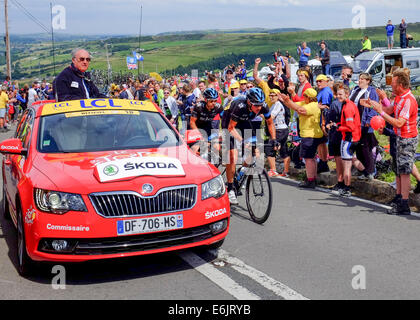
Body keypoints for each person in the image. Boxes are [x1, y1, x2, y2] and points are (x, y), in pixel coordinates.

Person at [371, 70, 418, 215]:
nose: (391, 86)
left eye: (393, 84)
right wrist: (373, 106)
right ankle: (399, 198)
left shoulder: (408, 100)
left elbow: (398, 123)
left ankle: (404, 204)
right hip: (399, 138)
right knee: (398, 171)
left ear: (401, 85)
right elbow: (390, 110)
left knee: (404, 172)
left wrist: (381, 112)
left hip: (407, 139)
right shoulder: (398, 97)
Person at [221, 88, 277, 204]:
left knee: (254, 152)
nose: (259, 108)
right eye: (256, 105)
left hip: (244, 121)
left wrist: (274, 139)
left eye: (261, 105)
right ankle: (230, 189)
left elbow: (270, 122)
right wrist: (242, 141)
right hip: (229, 122)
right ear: (249, 102)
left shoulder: (263, 106)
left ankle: (241, 172)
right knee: (232, 155)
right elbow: (231, 128)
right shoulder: (239, 106)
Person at [280, 88, 324, 189]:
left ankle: (310, 180)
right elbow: (295, 106)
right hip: (312, 134)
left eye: (305, 96)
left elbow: (299, 109)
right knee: (311, 158)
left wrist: (287, 100)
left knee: (308, 159)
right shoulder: (307, 102)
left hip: (310, 135)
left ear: (308, 97)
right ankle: (312, 178)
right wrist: (286, 100)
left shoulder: (312, 106)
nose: (303, 98)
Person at [349, 73, 380, 180]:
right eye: (359, 78)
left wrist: (369, 121)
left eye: (363, 79)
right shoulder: (355, 89)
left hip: (365, 124)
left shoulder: (371, 91)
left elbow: (373, 107)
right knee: (358, 147)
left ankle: (371, 171)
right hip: (354, 124)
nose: (360, 80)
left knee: (365, 148)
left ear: (368, 81)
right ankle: (362, 171)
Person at [336, 84, 361, 197]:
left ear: (347, 94)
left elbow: (350, 127)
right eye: (337, 94)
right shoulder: (348, 104)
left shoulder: (347, 108)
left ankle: (346, 188)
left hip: (348, 139)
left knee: (346, 165)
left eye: (340, 94)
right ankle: (368, 172)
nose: (338, 96)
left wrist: (338, 128)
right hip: (354, 138)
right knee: (352, 160)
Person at [190, 88, 224, 155]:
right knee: (195, 149)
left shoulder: (218, 107)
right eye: (211, 101)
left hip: (209, 128)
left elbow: (225, 120)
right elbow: (192, 122)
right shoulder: (199, 107)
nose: (214, 103)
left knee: (217, 148)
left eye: (215, 101)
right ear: (206, 100)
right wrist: (199, 135)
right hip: (197, 128)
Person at [265, 89, 291, 177]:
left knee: (269, 149)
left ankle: (273, 170)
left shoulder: (277, 104)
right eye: (270, 95)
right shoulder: (274, 105)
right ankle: (286, 171)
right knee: (283, 150)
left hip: (279, 130)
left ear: (278, 96)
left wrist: (262, 115)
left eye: (273, 95)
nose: (271, 97)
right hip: (283, 129)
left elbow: (271, 117)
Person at [316, 74, 334, 174]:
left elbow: (325, 107)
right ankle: (322, 161)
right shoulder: (322, 90)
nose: (318, 83)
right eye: (317, 81)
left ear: (326, 81)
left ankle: (323, 161)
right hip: (319, 119)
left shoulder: (326, 91)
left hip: (323, 120)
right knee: (321, 142)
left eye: (320, 81)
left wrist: (316, 106)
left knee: (322, 142)